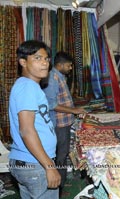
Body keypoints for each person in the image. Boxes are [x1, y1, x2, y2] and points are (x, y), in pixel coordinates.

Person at [8, 40, 61, 198]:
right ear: (23, 62)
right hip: (36, 164)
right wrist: (49, 166)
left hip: (29, 162)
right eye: (37, 58)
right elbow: (26, 130)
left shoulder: (27, 86)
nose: (44, 63)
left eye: (46, 59)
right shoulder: (28, 86)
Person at [43, 51, 87, 194]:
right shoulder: (53, 78)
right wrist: (74, 111)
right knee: (60, 156)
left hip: (64, 123)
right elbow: (52, 105)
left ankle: (58, 185)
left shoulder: (59, 77)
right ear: (60, 64)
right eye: (68, 65)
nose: (70, 68)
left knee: (62, 154)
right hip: (59, 125)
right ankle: (58, 188)